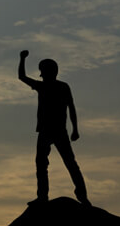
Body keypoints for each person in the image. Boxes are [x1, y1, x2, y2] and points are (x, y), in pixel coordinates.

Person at [18, 50, 90, 206]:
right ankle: (43, 196)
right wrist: (22, 59)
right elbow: (21, 77)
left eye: (43, 71)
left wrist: (75, 129)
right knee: (42, 163)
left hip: (57, 130)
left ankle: (82, 195)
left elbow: (71, 107)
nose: (42, 74)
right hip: (45, 130)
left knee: (69, 162)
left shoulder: (60, 87)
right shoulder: (43, 86)